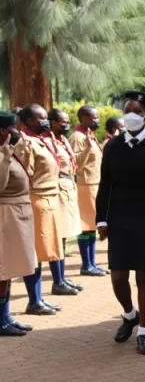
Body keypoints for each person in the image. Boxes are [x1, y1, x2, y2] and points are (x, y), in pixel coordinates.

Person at [96, 91, 145, 355]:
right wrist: (102, 219)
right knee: (118, 277)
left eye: (137, 111)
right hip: (119, 218)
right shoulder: (114, 146)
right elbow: (105, 183)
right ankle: (129, 314)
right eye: (128, 109)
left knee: (144, 276)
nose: (131, 114)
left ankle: (144, 331)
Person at [15, 104, 63, 315]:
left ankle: (39, 298)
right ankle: (34, 300)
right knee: (34, 252)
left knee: (44, 252)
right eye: (41, 118)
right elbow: (24, 175)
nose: (45, 121)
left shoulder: (41, 140)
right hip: (37, 200)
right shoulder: (26, 144)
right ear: (29, 121)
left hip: (50, 200)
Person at [0, 111, 37, 335]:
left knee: (10, 270)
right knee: (3, 271)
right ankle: (1, 320)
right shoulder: (2, 152)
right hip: (6, 215)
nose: (16, 131)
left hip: (18, 214)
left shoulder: (9, 151)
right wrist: (4, 150)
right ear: (2, 131)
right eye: (12, 128)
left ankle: (6, 317)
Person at [48, 109, 83, 295]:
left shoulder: (61, 140)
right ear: (53, 122)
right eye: (63, 121)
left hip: (68, 186)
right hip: (58, 188)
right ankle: (57, 281)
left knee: (64, 237)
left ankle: (61, 277)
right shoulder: (48, 142)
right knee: (58, 235)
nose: (67, 124)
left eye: (68, 121)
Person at [70, 105, 106, 276]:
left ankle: (92, 263)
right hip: (85, 186)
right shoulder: (77, 137)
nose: (97, 120)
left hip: (95, 184)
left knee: (92, 225)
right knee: (86, 226)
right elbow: (75, 164)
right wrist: (86, 148)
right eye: (94, 117)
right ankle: (86, 265)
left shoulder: (89, 134)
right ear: (84, 119)